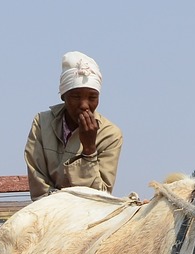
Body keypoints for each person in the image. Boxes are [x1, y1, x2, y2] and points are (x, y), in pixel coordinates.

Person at [24, 51, 123, 201]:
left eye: (92, 97)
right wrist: (60, 203)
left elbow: (102, 195)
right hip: (47, 208)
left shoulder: (110, 134)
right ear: (63, 96)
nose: (84, 105)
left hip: (89, 212)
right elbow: (38, 184)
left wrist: (89, 149)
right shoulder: (42, 123)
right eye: (76, 96)